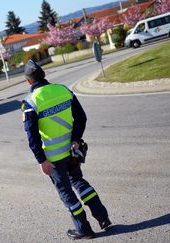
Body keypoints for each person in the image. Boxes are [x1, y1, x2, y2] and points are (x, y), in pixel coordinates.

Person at [20, 60, 111, 239]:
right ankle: (103, 217)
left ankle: (83, 229)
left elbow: (32, 137)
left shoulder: (30, 102)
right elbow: (81, 118)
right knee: (79, 182)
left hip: (53, 158)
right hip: (71, 151)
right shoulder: (64, 90)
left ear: (28, 81)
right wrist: (76, 139)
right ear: (44, 76)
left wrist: (41, 160)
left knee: (66, 193)